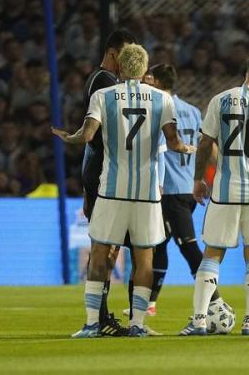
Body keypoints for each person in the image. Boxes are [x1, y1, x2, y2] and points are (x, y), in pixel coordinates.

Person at [53, 43, 195, 337]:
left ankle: (92, 323)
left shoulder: (103, 96)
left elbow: (88, 134)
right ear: (144, 69)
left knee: (100, 253)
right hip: (146, 194)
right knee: (145, 258)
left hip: (112, 190)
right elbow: (173, 141)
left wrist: (69, 138)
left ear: (120, 65)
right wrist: (187, 147)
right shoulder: (162, 100)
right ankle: (138, 324)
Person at [179, 52, 249, 336]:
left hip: (224, 191)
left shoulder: (219, 100)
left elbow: (206, 143)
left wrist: (197, 179)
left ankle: (199, 320)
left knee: (212, 254)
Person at [136, 64, 224, 317]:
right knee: (160, 245)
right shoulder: (193, 110)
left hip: (169, 190)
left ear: (156, 81)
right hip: (189, 187)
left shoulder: (157, 109)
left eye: (148, 79)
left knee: (188, 246)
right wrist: (217, 173)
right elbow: (207, 145)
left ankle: (215, 304)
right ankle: (150, 303)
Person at [81, 29, 137, 336]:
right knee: (105, 246)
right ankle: (99, 318)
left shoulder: (103, 82)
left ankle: (100, 316)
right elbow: (95, 137)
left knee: (108, 245)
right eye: (126, 55)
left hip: (102, 174)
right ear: (113, 53)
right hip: (105, 174)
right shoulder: (104, 83)